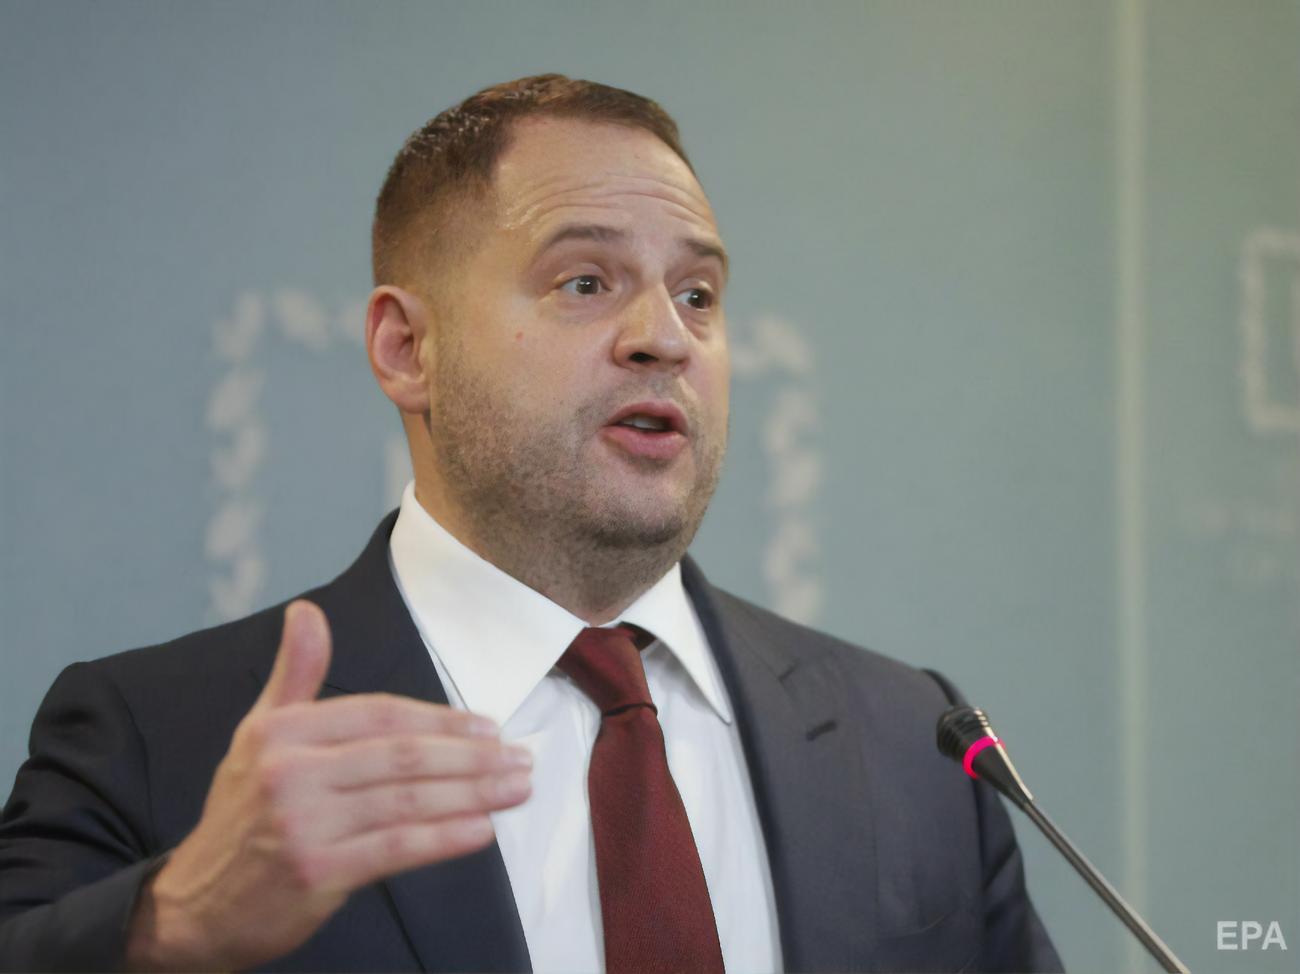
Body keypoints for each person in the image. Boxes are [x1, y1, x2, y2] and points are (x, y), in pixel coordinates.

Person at [0, 74, 1062, 973]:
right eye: (585, 280)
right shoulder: (156, 739)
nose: (664, 338)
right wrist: (175, 921)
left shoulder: (915, 743)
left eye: (698, 294)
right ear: (407, 349)